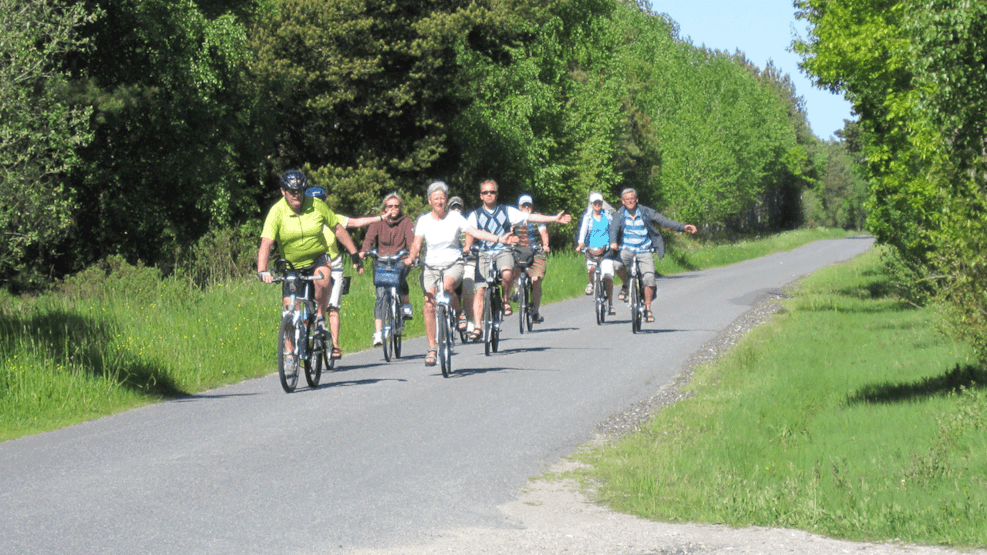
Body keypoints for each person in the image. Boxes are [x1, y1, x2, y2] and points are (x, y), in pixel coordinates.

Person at [405, 181, 516, 367]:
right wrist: (411, 257)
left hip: (453, 263)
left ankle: (459, 314)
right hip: (430, 265)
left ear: (446, 200)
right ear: (429, 201)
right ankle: (432, 348)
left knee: (447, 287)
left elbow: (475, 232)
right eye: (436, 198)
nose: (440, 201)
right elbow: (417, 242)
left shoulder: (455, 218)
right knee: (429, 303)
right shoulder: (423, 220)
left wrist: (498, 238)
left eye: (442, 198)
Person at [257, 170, 363, 351]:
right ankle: (290, 355)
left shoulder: (317, 205)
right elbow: (267, 242)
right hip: (292, 265)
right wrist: (262, 270)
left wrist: (354, 253)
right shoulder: (277, 211)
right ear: (283, 191)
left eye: (300, 190)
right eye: (292, 191)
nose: (297, 194)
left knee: (322, 278)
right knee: (290, 309)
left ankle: (320, 319)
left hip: (317, 258)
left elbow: (337, 228)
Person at [464, 180, 571, 340]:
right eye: (486, 192)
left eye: (492, 192)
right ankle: (478, 327)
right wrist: (467, 247)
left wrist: (554, 219)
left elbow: (530, 217)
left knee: (507, 272)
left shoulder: (506, 211)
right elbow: (470, 232)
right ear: (481, 196)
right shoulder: (475, 215)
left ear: (496, 194)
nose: (489, 195)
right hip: (484, 253)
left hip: (503, 250)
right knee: (480, 290)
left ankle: (505, 300)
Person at [304, 187, 377, 358]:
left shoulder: (332, 217)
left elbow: (356, 222)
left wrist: (379, 218)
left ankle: (335, 345)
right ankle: (307, 340)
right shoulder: (305, 220)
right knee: (309, 306)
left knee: (333, 306)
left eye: (321, 200)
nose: (318, 204)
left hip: (334, 263)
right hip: (312, 264)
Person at [608, 187, 697, 323]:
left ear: (636, 200)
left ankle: (648, 308)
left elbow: (663, 220)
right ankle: (626, 284)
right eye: (627, 200)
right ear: (623, 202)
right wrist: (613, 242)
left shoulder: (645, 211)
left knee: (649, 277)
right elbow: (613, 228)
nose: (630, 201)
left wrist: (683, 227)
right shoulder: (619, 214)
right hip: (627, 249)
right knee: (617, 264)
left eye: (632, 199)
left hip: (644, 250)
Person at [360, 192, 415, 347]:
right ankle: (378, 333)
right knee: (380, 295)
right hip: (382, 261)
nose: (393, 209)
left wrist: (411, 256)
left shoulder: (406, 221)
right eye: (390, 206)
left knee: (400, 276)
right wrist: (364, 252)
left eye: (396, 206)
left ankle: (405, 304)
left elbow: (411, 241)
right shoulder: (377, 222)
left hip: (400, 260)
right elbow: (369, 239)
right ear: (384, 208)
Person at [576, 191, 623, 315]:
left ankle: (611, 305)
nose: (597, 205)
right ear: (591, 204)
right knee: (591, 269)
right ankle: (591, 282)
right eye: (595, 203)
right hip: (591, 249)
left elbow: (613, 229)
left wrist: (615, 243)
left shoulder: (607, 216)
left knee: (607, 276)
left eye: (599, 203)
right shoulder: (588, 217)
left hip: (606, 249)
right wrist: (580, 243)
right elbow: (583, 231)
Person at [511, 194, 550, 324]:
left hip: (535, 251)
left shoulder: (537, 218)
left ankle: (535, 311)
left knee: (536, 279)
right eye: (524, 205)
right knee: (511, 266)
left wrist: (545, 245)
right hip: (518, 250)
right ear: (519, 207)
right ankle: (516, 290)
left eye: (529, 205)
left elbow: (543, 232)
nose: (526, 208)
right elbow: (509, 231)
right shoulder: (514, 218)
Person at [447, 195, 476, 335]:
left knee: (467, 288)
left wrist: (467, 248)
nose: (456, 210)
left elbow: (471, 235)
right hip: (450, 262)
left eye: (458, 207)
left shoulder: (466, 222)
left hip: (467, 260)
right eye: (453, 207)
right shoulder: (444, 224)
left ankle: (470, 320)